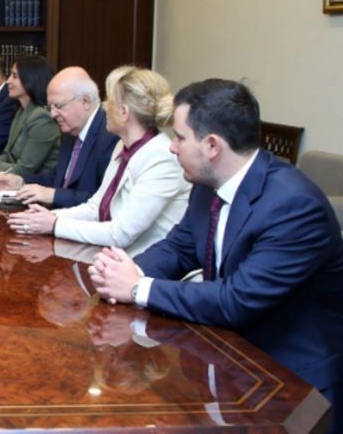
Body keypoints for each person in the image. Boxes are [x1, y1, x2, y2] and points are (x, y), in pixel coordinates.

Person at [89, 79, 343, 432]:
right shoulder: (207, 185)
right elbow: (179, 248)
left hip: (291, 383)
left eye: (180, 138)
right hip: (228, 357)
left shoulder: (293, 206)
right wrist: (121, 271)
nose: (172, 147)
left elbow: (238, 299)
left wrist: (137, 288)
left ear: (212, 146)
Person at [8, 66, 190, 258]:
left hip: (140, 264)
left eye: (109, 101)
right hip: (110, 257)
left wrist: (54, 224)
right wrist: (46, 217)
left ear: (124, 113)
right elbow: (96, 207)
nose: (103, 106)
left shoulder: (161, 158)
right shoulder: (122, 146)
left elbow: (121, 233)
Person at [0, 66, 119, 208]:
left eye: (59, 106)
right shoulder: (71, 131)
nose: (52, 114)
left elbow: (103, 201)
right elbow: (57, 178)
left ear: (85, 101)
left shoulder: (110, 135)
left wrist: (52, 195)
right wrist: (21, 182)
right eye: (50, 107)